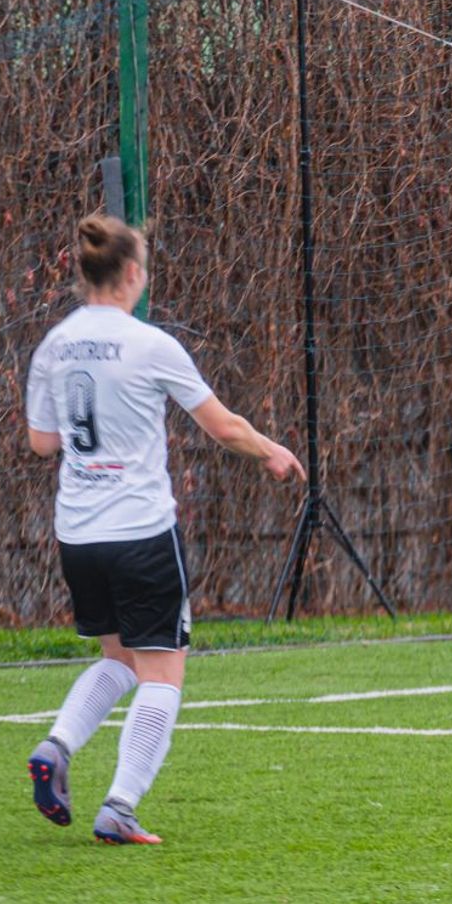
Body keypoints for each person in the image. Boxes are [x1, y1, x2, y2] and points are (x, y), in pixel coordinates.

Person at [24, 214, 305, 844]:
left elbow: (42, 443)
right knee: (162, 672)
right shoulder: (150, 345)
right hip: (141, 531)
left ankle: (57, 745)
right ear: (132, 273)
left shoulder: (54, 345)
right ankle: (119, 807)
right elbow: (223, 426)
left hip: (78, 533)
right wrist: (271, 452)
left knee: (119, 659)